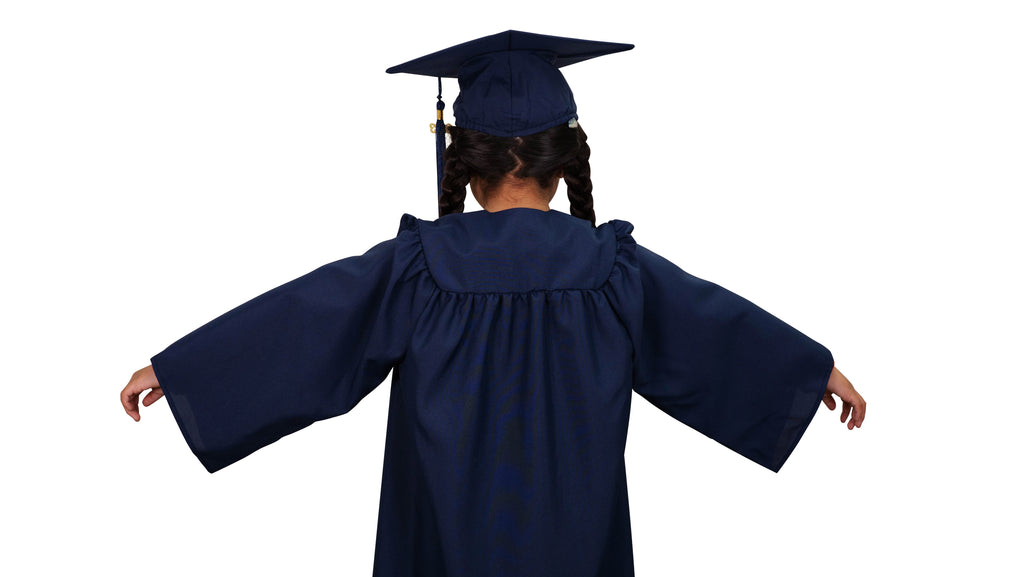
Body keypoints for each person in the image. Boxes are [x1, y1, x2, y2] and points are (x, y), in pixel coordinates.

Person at [120, 30, 865, 577]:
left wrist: (186, 371)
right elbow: (712, 327)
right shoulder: (612, 270)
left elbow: (307, 324)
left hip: (440, 546)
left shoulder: (419, 267)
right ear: (562, 165)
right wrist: (808, 372)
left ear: (464, 164)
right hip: (576, 545)